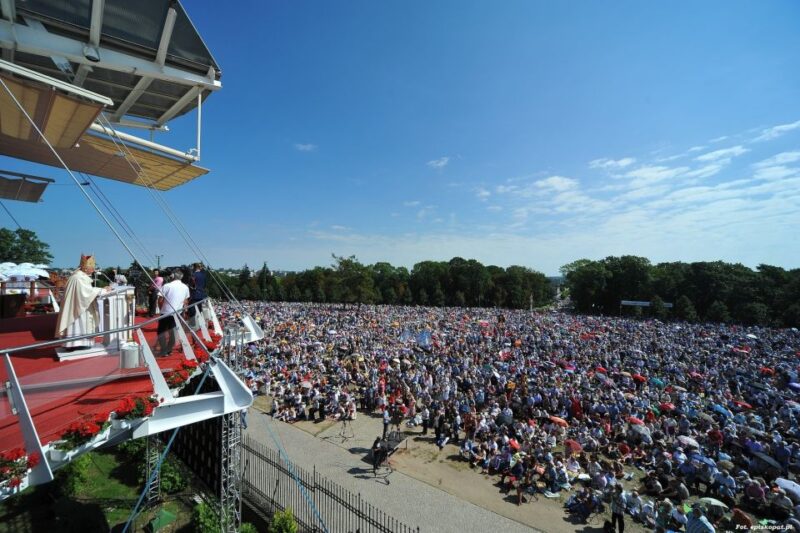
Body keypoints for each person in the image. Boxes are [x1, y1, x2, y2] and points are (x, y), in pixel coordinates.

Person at [55, 254, 111, 350]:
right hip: (80, 309)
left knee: (79, 324)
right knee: (79, 324)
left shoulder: (77, 276)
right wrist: (103, 290)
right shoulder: (78, 278)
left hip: (78, 306)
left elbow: (86, 291)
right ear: (85, 268)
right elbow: (86, 293)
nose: (93, 270)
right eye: (92, 268)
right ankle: (77, 344)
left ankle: (75, 343)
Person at [156, 270, 189, 356]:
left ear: (172, 276)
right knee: (173, 333)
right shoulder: (185, 287)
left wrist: (161, 309)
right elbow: (185, 301)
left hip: (165, 312)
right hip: (177, 313)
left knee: (161, 331)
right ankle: (168, 349)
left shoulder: (167, 286)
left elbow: (160, 300)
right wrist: (184, 311)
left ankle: (164, 350)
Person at [188, 262, 207, 328]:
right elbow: (204, 285)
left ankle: (193, 326)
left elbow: (191, 286)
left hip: (193, 295)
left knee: (192, 311)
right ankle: (200, 324)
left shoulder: (193, 275)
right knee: (199, 310)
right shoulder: (203, 275)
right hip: (201, 295)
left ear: (194, 267)